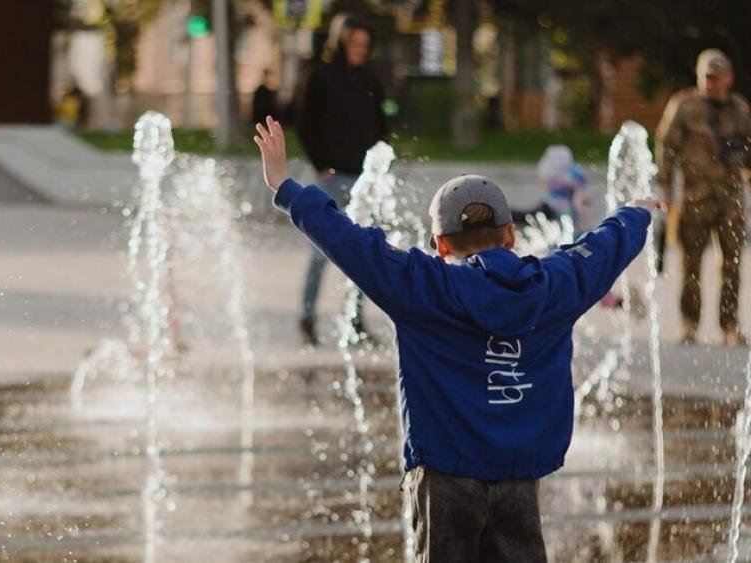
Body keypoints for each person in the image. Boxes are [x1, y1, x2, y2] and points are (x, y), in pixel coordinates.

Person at [254, 116, 659, 561]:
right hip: (520, 475)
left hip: (445, 478)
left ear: (440, 245)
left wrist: (286, 185)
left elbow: (350, 242)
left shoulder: (420, 286)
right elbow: (602, 248)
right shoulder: (553, 285)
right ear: (510, 235)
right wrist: (635, 214)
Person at [293, 15, 387, 346]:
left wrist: (379, 166)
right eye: (355, 43)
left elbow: (380, 124)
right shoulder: (320, 77)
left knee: (365, 250)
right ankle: (307, 318)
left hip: (363, 178)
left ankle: (356, 321)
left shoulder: (371, 80)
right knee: (321, 250)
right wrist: (321, 165)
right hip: (331, 176)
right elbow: (305, 123)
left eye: (366, 44)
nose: (361, 50)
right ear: (341, 42)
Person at [656, 48, 751, 346]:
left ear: (729, 78)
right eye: (707, 77)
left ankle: (729, 327)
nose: (712, 83)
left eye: (718, 77)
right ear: (699, 77)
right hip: (694, 198)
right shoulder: (684, 106)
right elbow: (666, 145)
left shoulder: (740, 109)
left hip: (730, 199)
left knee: (732, 263)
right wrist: (666, 188)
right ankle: (689, 324)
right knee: (691, 265)